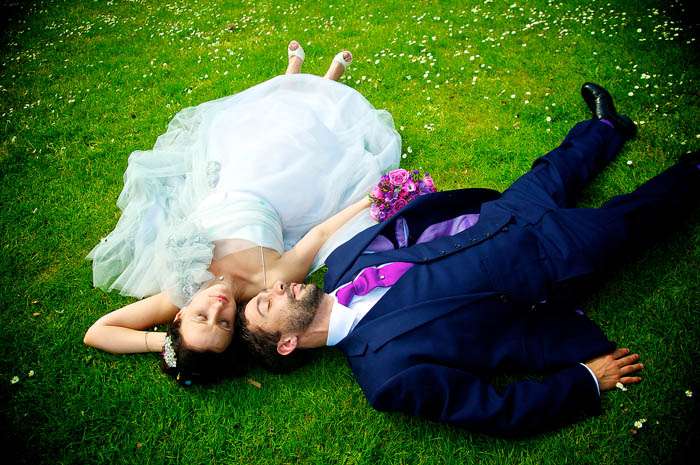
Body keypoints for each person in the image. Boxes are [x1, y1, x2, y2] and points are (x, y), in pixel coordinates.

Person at [237, 83, 700, 435]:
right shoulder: (387, 374)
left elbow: (411, 235)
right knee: (633, 217)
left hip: (498, 220)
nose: (276, 288)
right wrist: (585, 381)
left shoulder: (341, 264)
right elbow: (494, 411)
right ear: (286, 344)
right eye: (266, 305)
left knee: (554, 170)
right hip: (547, 267)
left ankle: (606, 127)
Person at [83, 41, 401, 383]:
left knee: (251, 132)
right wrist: (369, 200)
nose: (217, 306)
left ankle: (292, 77)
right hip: (278, 191)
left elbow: (98, 332)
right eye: (223, 322)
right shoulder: (270, 282)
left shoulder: (180, 290)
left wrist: (169, 344)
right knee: (296, 139)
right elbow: (320, 234)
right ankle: (326, 83)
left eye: (201, 316)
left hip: (224, 182)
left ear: (179, 317)